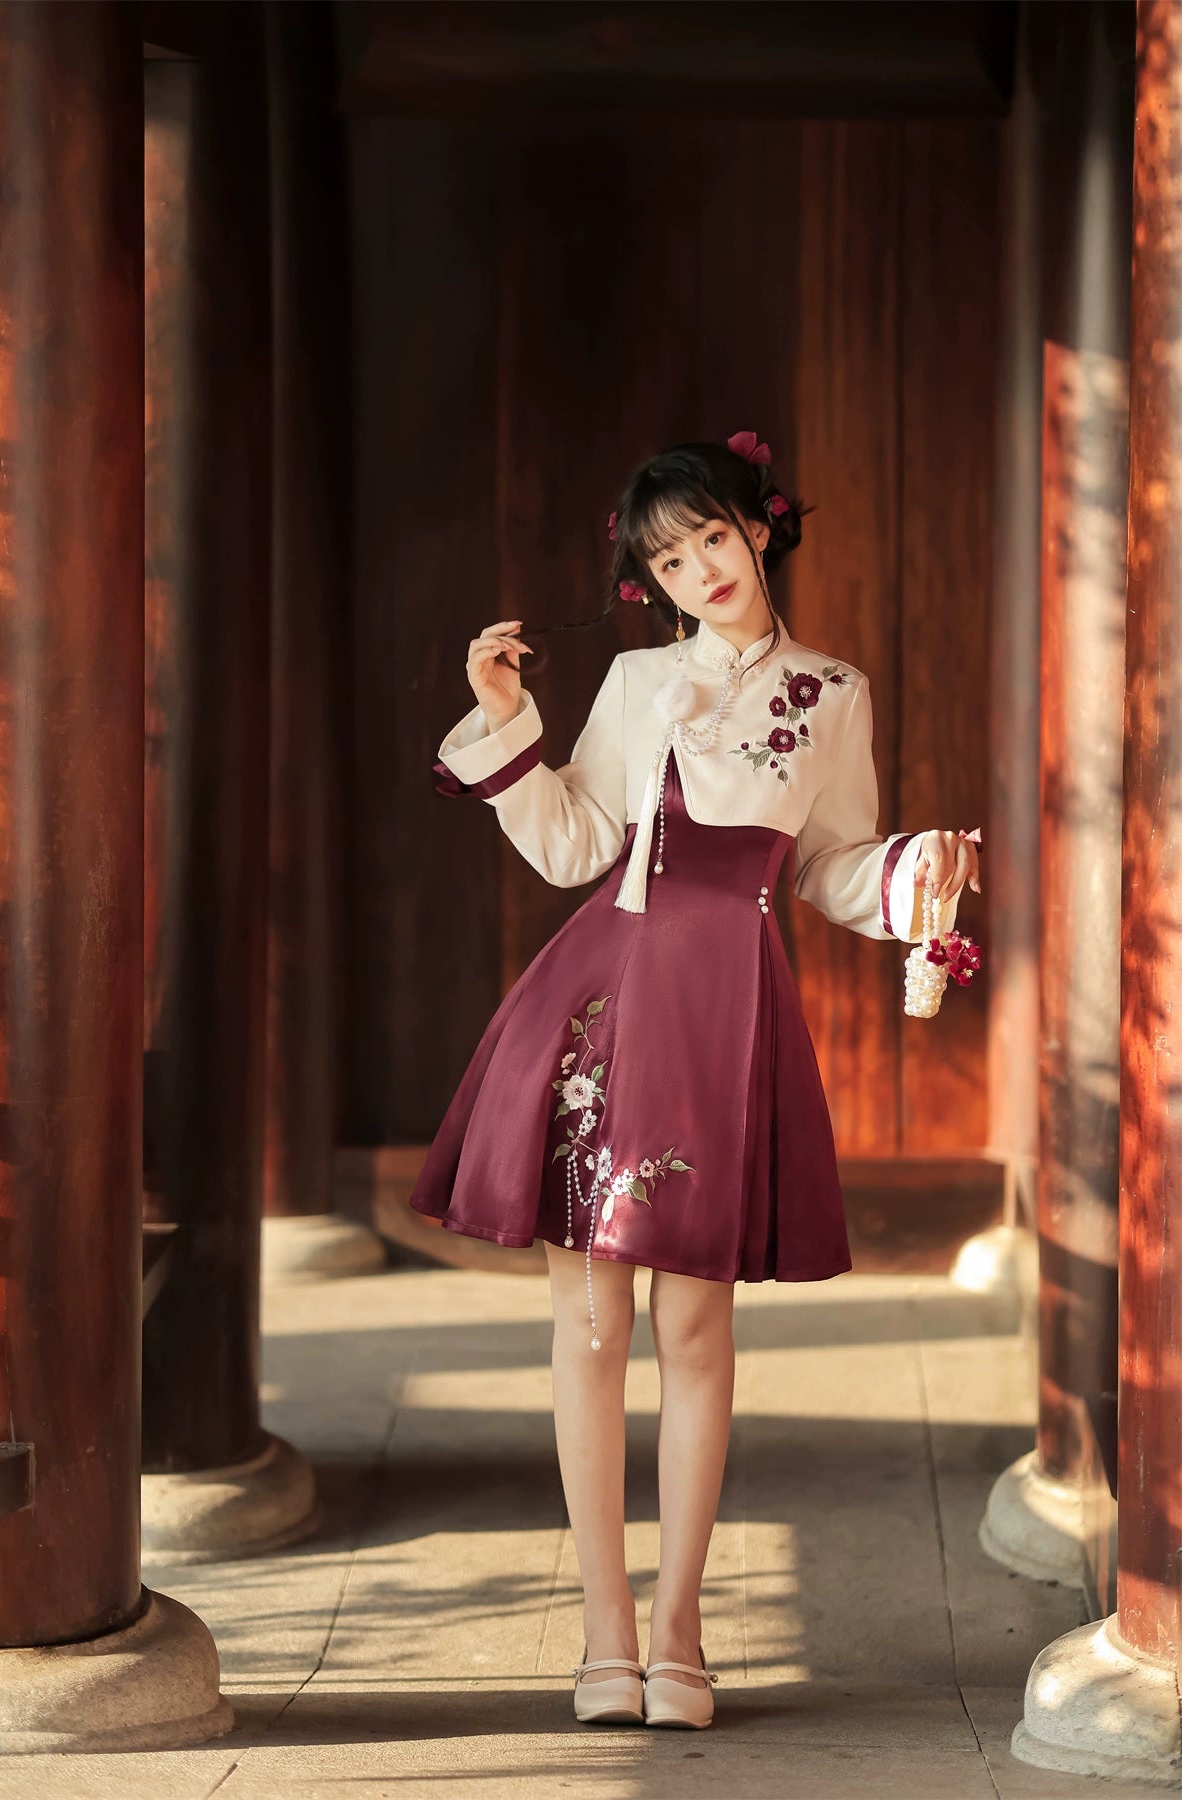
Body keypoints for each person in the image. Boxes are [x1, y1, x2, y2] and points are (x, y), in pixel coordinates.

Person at [409, 431, 982, 1730]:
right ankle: (607, 1636)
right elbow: (571, 848)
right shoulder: (631, 682)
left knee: (697, 1329)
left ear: (761, 529)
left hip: (728, 1008)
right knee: (594, 1328)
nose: (696, 570)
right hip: (603, 1001)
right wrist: (508, 723)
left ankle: (681, 1636)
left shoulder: (834, 693)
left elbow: (833, 865)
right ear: (650, 581)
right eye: (667, 559)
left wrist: (911, 874)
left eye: (711, 538)